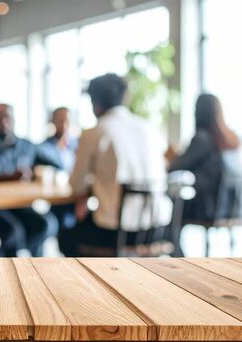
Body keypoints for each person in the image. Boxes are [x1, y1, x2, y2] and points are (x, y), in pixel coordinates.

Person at [59, 73, 170, 256]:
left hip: (117, 234)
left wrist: (89, 191)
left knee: (65, 237)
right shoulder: (147, 128)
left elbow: (76, 184)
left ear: (95, 104)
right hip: (159, 229)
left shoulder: (95, 133)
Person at [0, 104, 59, 257]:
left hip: (21, 204)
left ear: (14, 119)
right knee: (13, 231)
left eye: (7, 117)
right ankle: (14, 263)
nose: (3, 122)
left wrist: (34, 173)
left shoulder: (27, 146)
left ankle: (33, 265)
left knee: (47, 224)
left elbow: (57, 165)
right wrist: (6, 178)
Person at [168, 94, 241, 221]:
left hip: (204, 207)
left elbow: (177, 166)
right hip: (224, 206)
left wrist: (171, 157)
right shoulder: (223, 140)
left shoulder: (202, 139)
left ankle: (168, 241)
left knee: (169, 202)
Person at [40, 107, 78, 233]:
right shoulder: (44, 148)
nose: (63, 124)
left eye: (66, 120)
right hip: (56, 198)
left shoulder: (77, 146)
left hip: (75, 197)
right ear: (52, 121)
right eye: (59, 120)